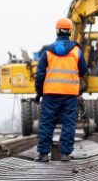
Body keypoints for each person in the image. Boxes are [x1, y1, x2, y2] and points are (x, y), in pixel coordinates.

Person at [34, 18, 88, 162]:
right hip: (70, 94)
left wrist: (39, 92)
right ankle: (64, 154)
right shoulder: (77, 51)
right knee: (69, 123)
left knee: (47, 122)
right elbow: (83, 70)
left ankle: (43, 154)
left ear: (57, 31)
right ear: (70, 31)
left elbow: (40, 75)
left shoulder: (47, 51)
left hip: (51, 93)